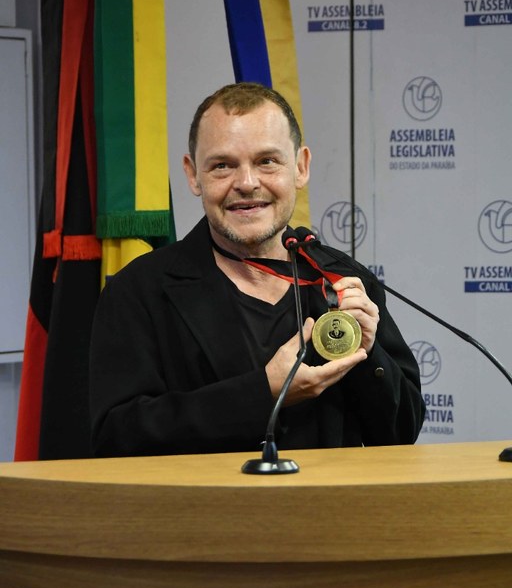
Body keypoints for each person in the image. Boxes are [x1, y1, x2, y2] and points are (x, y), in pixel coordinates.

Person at [89, 82, 425, 457]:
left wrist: (369, 356)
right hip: (206, 513)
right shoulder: (139, 291)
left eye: (267, 161)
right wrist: (262, 392)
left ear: (300, 167)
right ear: (192, 174)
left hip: (329, 513)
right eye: (222, 166)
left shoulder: (345, 280)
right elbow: (115, 436)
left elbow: (400, 434)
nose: (247, 184)